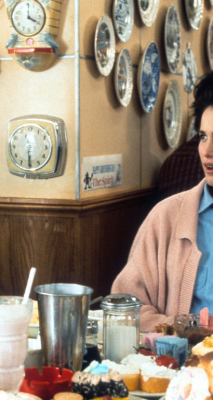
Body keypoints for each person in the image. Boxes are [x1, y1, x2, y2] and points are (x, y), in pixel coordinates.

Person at [112, 71, 213, 332]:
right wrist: (183, 330)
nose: (207, 151)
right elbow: (127, 304)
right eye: (203, 136)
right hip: (181, 366)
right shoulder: (166, 216)